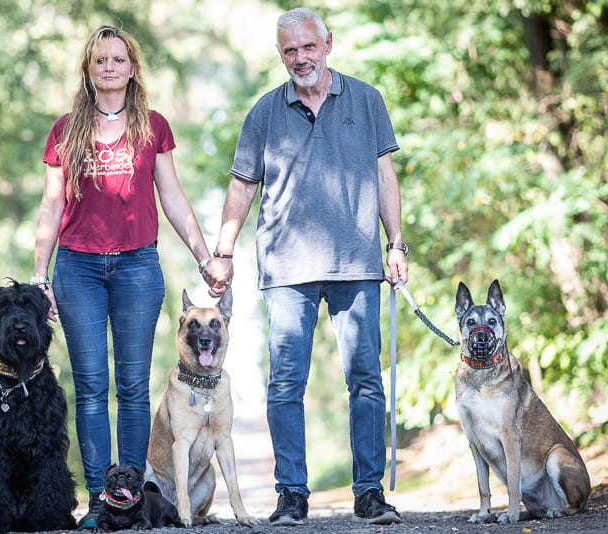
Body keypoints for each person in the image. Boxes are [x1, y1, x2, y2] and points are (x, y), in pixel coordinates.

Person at [202, 7, 408, 527]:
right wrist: (222, 253)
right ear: (280, 55)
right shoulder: (265, 112)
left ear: (328, 44)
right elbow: (242, 186)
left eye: (308, 47)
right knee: (285, 383)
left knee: (365, 380)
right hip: (286, 268)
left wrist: (397, 243)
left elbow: (385, 174)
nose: (300, 58)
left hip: (357, 261)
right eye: (290, 50)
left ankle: (369, 493)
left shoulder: (367, 99)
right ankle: (291, 495)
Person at [32, 25, 211, 530]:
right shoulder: (65, 130)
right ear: (88, 72)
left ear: (133, 68)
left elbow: (171, 196)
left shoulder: (153, 126)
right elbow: (51, 204)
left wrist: (203, 256)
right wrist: (39, 275)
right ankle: (99, 501)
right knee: (90, 387)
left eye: (118, 59)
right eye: (99, 61)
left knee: (132, 386)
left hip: (137, 265)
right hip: (78, 268)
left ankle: (131, 502)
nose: (109, 67)